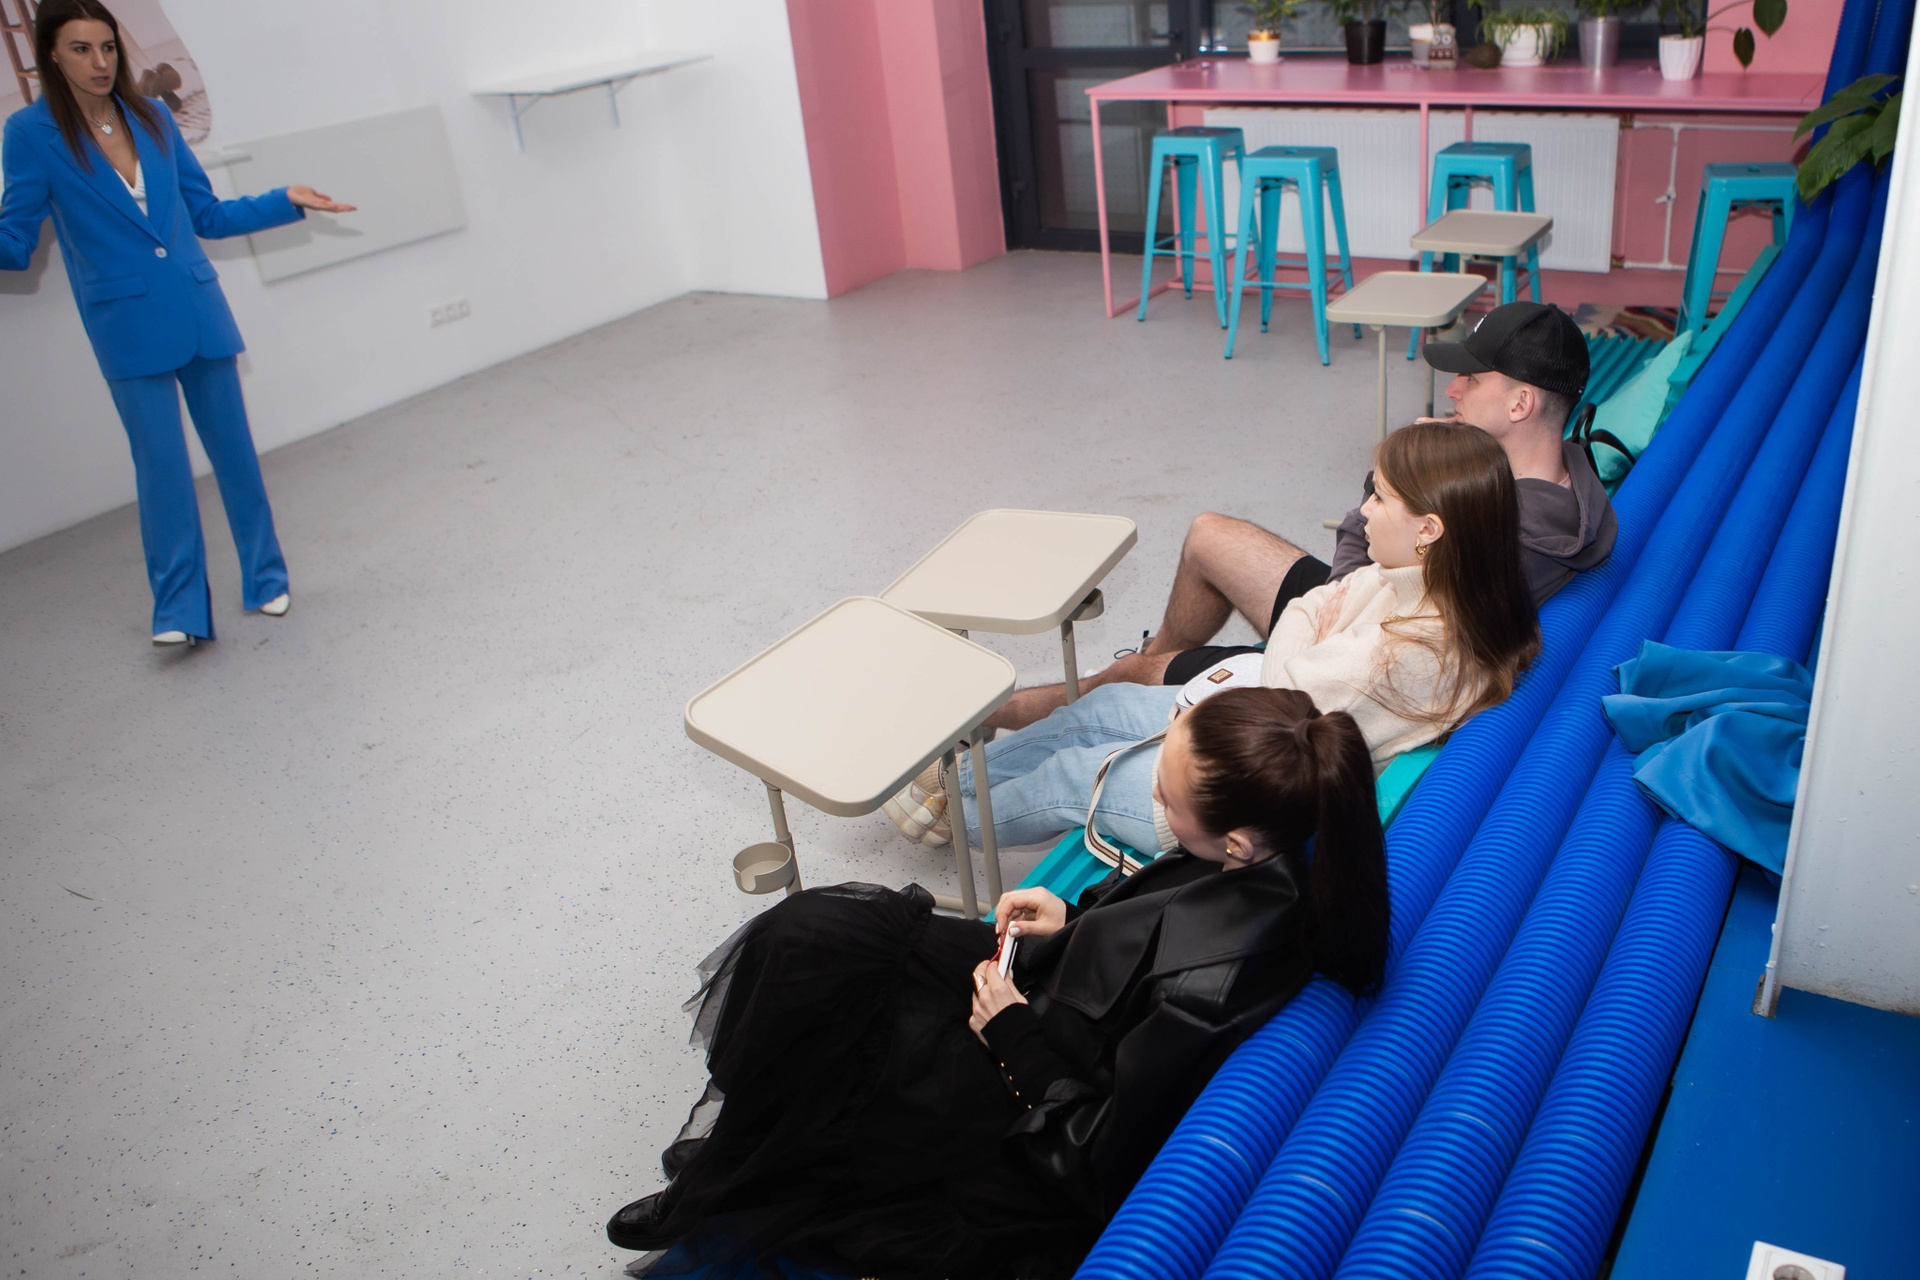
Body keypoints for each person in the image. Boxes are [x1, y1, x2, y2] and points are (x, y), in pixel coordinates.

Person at [606, 686, 1391, 1280]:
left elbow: (1098, 1154)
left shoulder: (1211, 988)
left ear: (1238, 843)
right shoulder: (1254, 851)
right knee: (813, 934)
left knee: (842, 1047)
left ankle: (732, 1181)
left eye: (1167, 794)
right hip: (1044, 997)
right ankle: (741, 1151)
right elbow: (1160, 914)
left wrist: (1011, 1032)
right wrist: (1074, 917)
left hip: (1027, 1096)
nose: (1153, 793)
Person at [887, 418, 1540, 856]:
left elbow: (1289, 671)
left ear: (1428, 529)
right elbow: (1314, 616)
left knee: (1072, 773)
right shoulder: (1427, 578)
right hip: (1253, 718)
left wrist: (1303, 625)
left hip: (1239, 789)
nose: (1363, 510)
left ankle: (951, 819)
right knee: (1097, 711)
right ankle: (955, 781)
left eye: (1382, 498)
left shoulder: (1403, 653)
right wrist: (1307, 628)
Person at [987, 300, 1613, 732]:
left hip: (1356, 640)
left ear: (1520, 403)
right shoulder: (1555, 475)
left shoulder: (1509, 530)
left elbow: (1357, 588)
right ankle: (1164, 659)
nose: (1452, 390)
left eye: (1471, 381)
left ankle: (986, 719)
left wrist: (1400, 471)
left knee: (1128, 673)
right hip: (1378, 596)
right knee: (1209, 535)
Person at [0, 0, 355, 647]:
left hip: (197, 307)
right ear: (51, 52)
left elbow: (207, 215)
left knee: (236, 458)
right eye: (81, 48)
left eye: (108, 47)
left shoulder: (153, 115)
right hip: (124, 325)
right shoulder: (30, 133)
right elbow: (16, 241)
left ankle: (266, 578)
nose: (100, 62)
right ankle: (179, 611)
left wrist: (283, 200)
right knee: (161, 470)